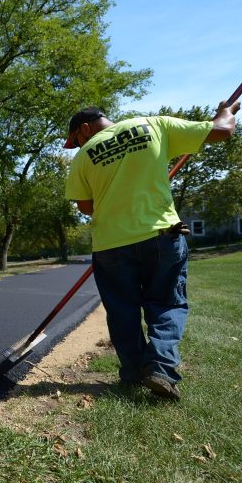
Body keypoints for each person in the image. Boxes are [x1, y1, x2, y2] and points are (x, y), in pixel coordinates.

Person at [64, 101, 239, 400]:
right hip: (160, 236)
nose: (79, 144)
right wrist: (225, 114)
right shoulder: (153, 125)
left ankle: (133, 374)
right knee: (166, 304)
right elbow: (222, 132)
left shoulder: (83, 158)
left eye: (76, 139)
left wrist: (115, 195)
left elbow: (86, 206)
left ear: (85, 128)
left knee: (122, 312)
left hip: (111, 245)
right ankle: (159, 368)